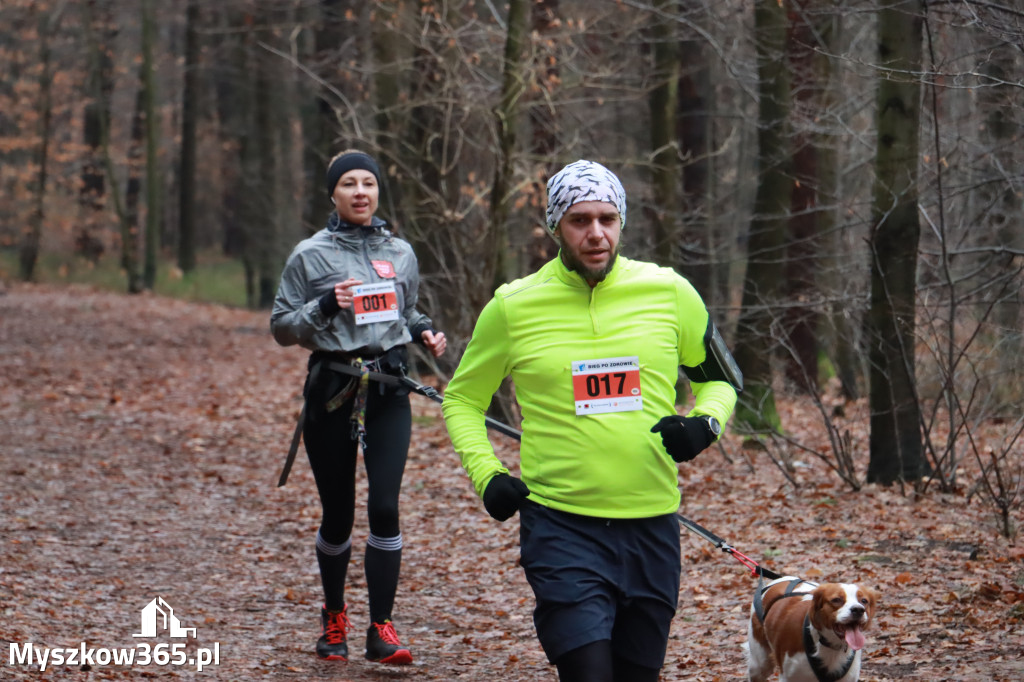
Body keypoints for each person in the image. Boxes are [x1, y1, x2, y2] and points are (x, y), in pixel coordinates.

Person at [441, 160, 741, 682]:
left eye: (608, 218)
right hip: (561, 527)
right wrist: (487, 474)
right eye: (580, 220)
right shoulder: (514, 307)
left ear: (622, 221)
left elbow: (722, 380)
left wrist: (705, 424)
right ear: (556, 225)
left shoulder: (669, 293)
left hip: (652, 527)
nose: (596, 233)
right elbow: (463, 399)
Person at [270, 149, 446, 665]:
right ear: (333, 194)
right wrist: (325, 305)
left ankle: (382, 628)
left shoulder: (402, 252)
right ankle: (334, 618)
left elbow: (405, 309)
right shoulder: (309, 255)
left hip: (389, 388)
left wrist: (424, 330)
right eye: (349, 183)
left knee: (386, 507)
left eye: (368, 183)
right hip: (333, 388)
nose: (360, 192)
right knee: (339, 515)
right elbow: (281, 326)